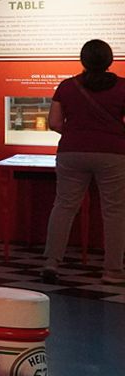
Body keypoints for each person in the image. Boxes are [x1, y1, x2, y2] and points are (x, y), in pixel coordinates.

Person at [41, 38, 125, 284]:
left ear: (83, 60)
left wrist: (77, 134)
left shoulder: (67, 86)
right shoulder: (123, 87)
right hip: (113, 153)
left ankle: (51, 262)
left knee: (64, 206)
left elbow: (54, 122)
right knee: (114, 211)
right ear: (110, 60)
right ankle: (112, 270)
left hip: (71, 152)